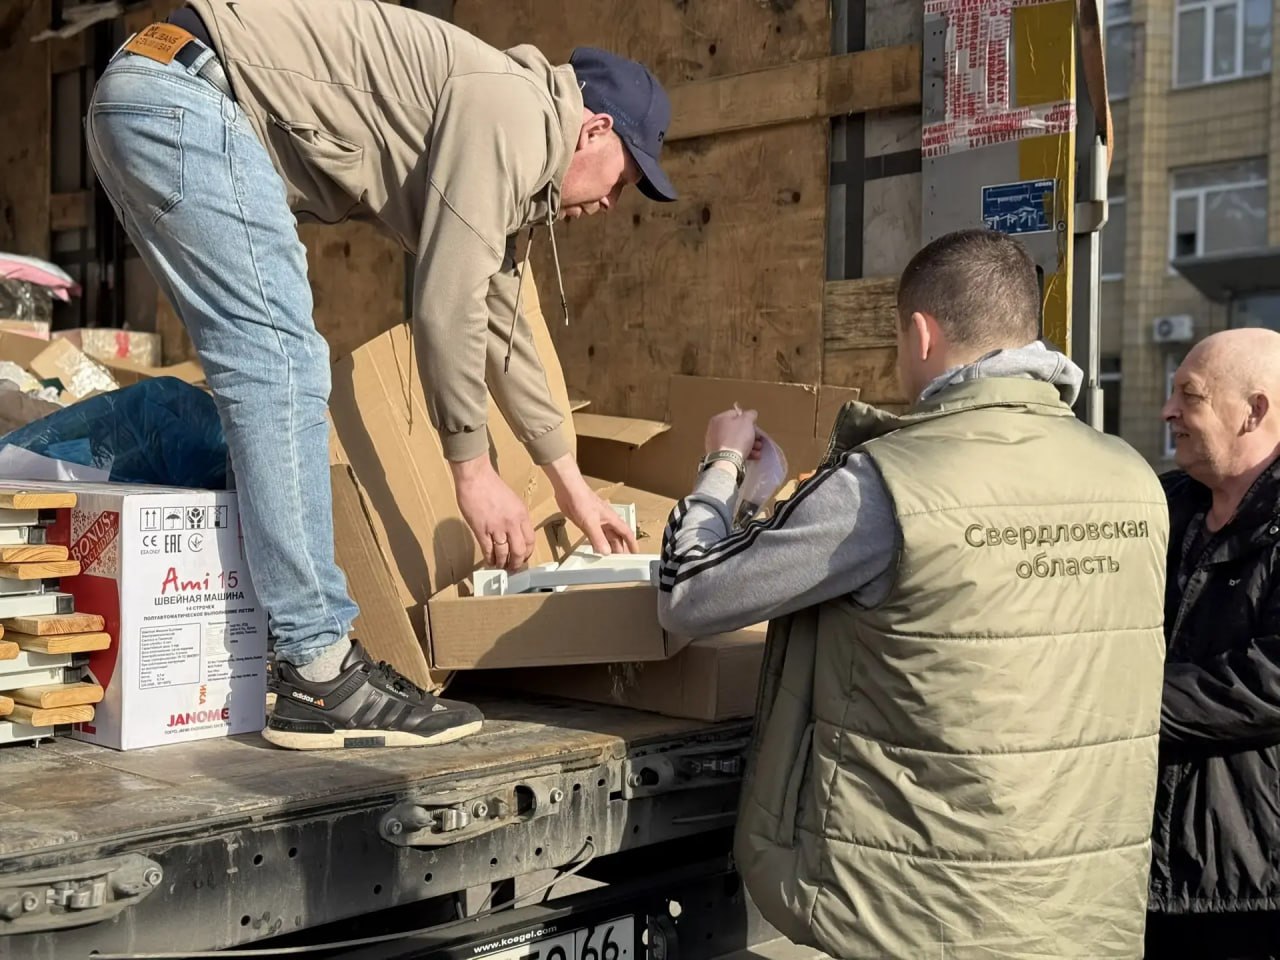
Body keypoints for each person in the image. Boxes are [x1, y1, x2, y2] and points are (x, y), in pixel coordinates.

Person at [84, 0, 676, 750]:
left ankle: (304, 655)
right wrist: (472, 472)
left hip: (160, 88)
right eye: (625, 179)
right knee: (279, 360)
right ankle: (318, 669)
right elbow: (446, 303)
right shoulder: (515, 116)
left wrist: (572, 487)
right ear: (596, 130)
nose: (613, 204)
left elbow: (502, 325)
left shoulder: (510, 136)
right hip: (188, 96)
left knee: (266, 360)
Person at [657, 229, 1170, 957]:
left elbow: (692, 595)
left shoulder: (889, 482)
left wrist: (721, 467)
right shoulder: (1133, 479)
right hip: (1081, 914)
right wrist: (772, 503)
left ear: (922, 334)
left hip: (925, 916)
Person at [1146, 328, 1280, 959]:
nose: (1167, 411)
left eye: (1189, 396)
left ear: (1254, 411)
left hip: (1249, 886)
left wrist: (1119, 703)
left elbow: (1268, 682)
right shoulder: (1160, 507)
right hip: (1139, 867)